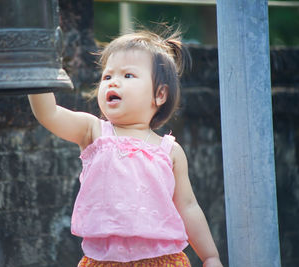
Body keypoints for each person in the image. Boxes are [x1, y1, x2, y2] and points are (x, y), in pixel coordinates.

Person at [28, 28, 223, 267]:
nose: (113, 82)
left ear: (160, 95)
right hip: (102, 260)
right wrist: (34, 66)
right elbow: (48, 113)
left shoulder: (169, 151)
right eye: (107, 76)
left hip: (162, 259)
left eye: (128, 75)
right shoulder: (94, 132)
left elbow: (188, 206)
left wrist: (210, 256)